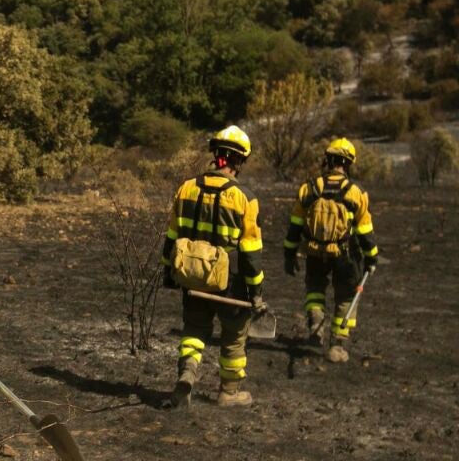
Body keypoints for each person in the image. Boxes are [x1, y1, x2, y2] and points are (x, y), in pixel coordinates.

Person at [161, 125, 266, 409]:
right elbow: (251, 251)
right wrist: (255, 290)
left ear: (216, 155)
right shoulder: (245, 197)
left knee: (194, 330)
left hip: (191, 275)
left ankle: (187, 373)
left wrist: (167, 272)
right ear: (239, 161)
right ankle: (229, 392)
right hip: (230, 282)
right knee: (234, 336)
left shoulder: (187, 188)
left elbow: (172, 235)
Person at [283, 138, 379, 363]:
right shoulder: (356, 193)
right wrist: (371, 257)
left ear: (328, 160)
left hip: (314, 252)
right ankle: (337, 344)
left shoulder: (309, 188)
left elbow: (295, 225)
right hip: (345, 255)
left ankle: (316, 327)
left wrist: (289, 254)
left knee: (315, 289)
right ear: (348, 164)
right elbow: (365, 231)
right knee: (346, 296)